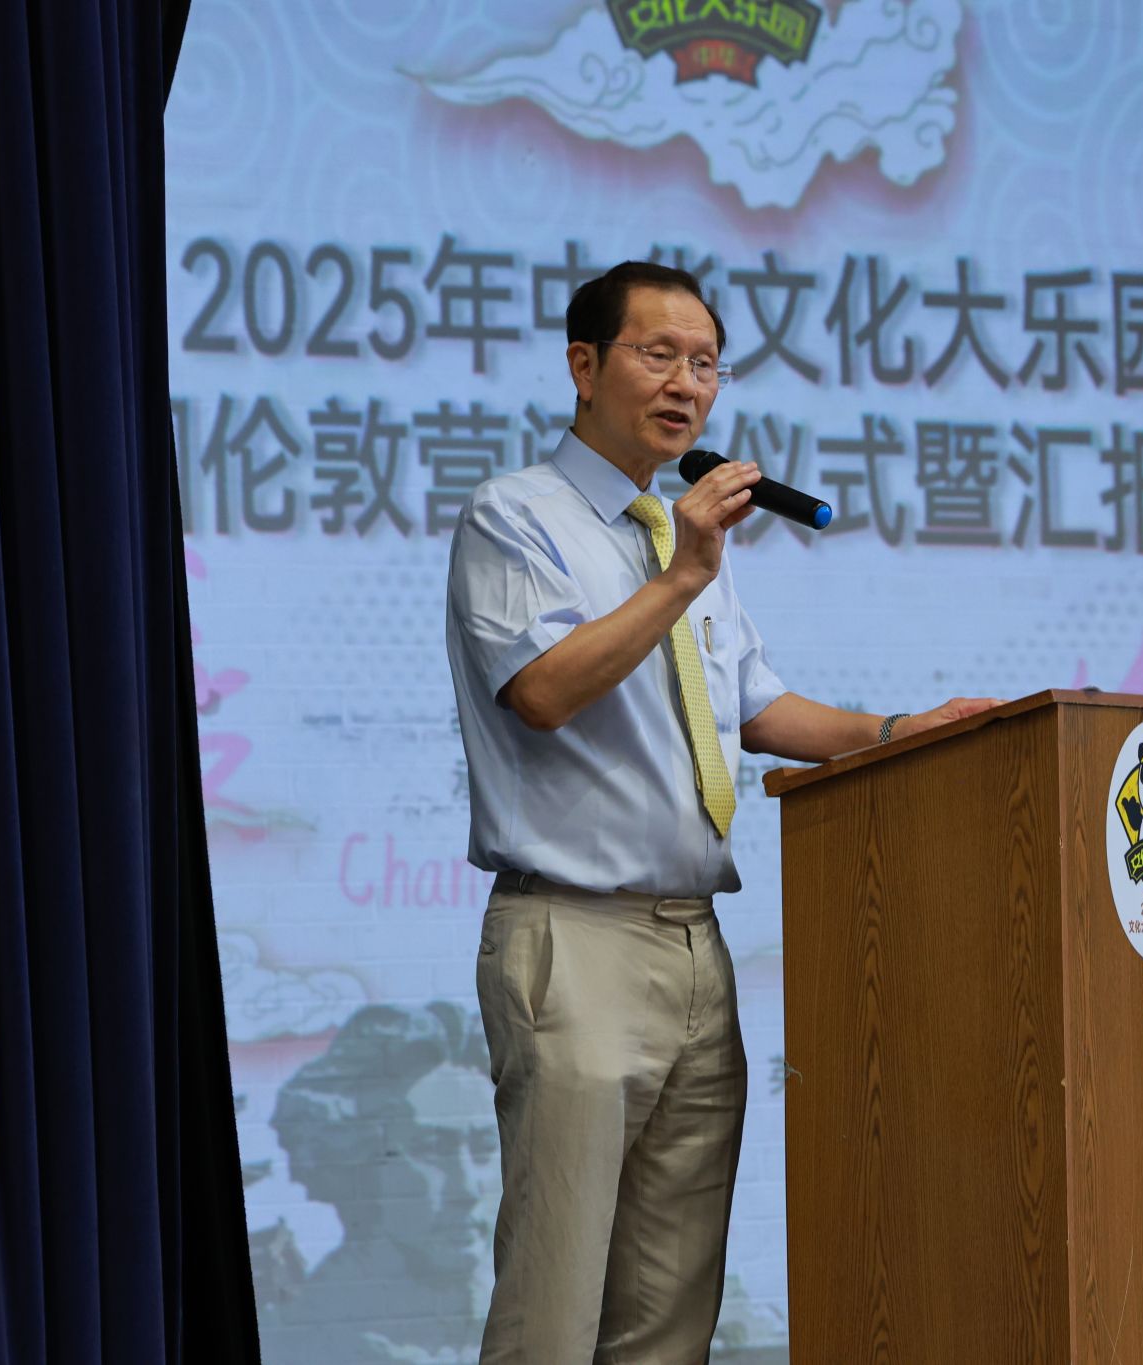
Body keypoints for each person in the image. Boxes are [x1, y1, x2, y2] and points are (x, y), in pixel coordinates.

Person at [445, 259, 994, 1363]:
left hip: (697, 945)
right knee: (555, 1307)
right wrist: (681, 576)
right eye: (659, 354)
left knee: (670, 1310)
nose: (686, 383)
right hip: (575, 936)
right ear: (583, 365)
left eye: (705, 363)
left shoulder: (677, 534)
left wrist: (901, 730)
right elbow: (542, 691)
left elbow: (757, 708)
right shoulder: (518, 515)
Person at [266, 1002, 502, 1363]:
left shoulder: (525, 1319)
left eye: (485, 1147)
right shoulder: (303, 1341)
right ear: (359, 1162)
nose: (467, 1189)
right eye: (430, 1148)